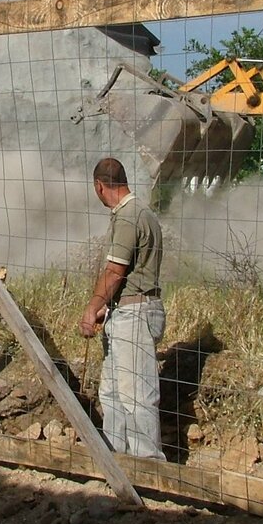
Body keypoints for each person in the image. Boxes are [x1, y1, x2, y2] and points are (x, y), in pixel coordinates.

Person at [80, 158, 166, 460]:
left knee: (136, 395)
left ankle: (147, 466)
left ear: (99, 186)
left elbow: (115, 272)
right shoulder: (139, 212)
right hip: (127, 310)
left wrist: (93, 307)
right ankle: (117, 461)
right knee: (113, 394)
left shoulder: (129, 216)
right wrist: (111, 307)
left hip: (135, 315)